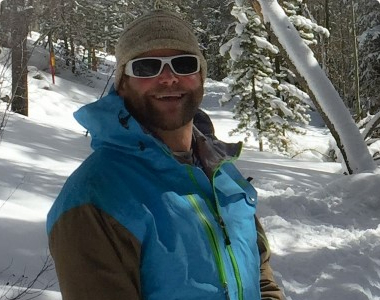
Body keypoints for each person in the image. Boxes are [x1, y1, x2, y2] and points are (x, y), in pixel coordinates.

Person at [46, 9, 285, 300]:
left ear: (200, 76)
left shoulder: (219, 171)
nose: (169, 78)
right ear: (122, 83)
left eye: (183, 64)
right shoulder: (94, 198)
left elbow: (259, 276)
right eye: (147, 67)